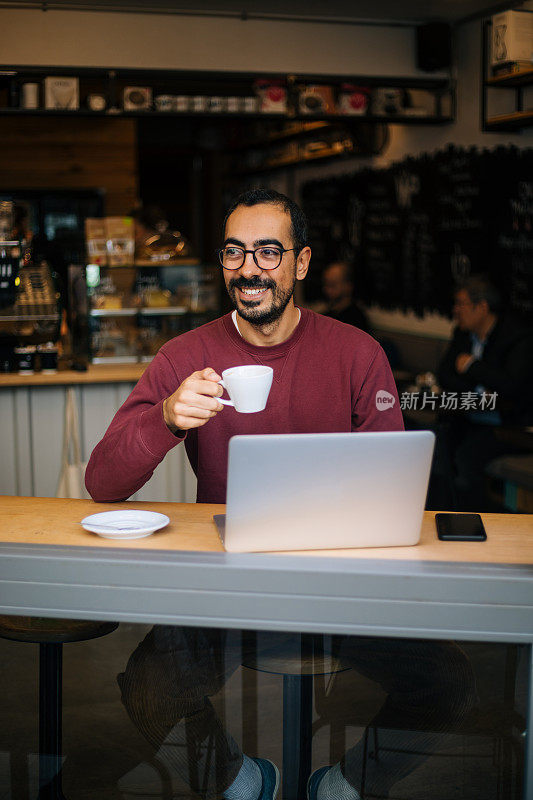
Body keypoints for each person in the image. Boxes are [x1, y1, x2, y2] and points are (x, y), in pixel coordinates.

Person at [86, 190, 474, 800]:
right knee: (148, 683)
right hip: (228, 585)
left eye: (269, 251)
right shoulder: (186, 356)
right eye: (235, 252)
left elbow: (396, 481)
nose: (250, 268)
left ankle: (344, 783)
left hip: (340, 584)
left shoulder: (357, 353)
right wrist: (165, 416)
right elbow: (102, 482)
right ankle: (241, 779)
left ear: (301, 263)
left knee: (448, 679)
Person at [428, 274, 533, 511]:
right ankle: (441, 514)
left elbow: (512, 387)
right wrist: (478, 387)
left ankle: (473, 523)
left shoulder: (518, 338)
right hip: (467, 417)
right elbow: (444, 374)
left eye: (461, 304)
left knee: (467, 457)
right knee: (435, 443)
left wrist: (472, 367)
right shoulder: (463, 334)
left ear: (482, 307)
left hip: (508, 426)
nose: (455, 310)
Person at [321, 260, 370, 333]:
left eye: (332, 285)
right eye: (326, 284)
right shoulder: (326, 316)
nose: (327, 290)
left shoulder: (356, 321)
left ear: (348, 286)